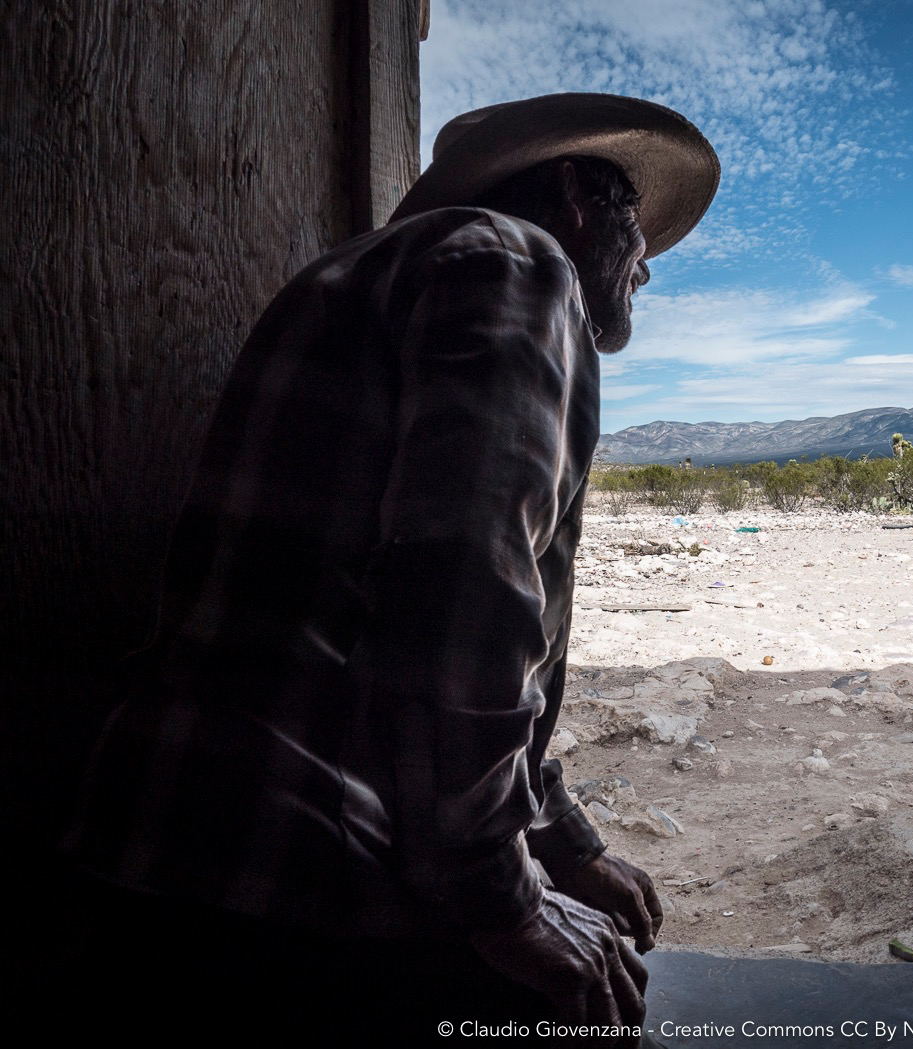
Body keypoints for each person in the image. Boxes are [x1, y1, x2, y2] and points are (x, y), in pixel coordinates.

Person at [59, 93, 720, 1046]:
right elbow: (463, 598)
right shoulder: (515, 261)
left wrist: (558, 837)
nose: (646, 265)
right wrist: (509, 902)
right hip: (288, 870)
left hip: (169, 839)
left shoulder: (384, 271)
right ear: (576, 195)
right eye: (634, 224)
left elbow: (388, 590)